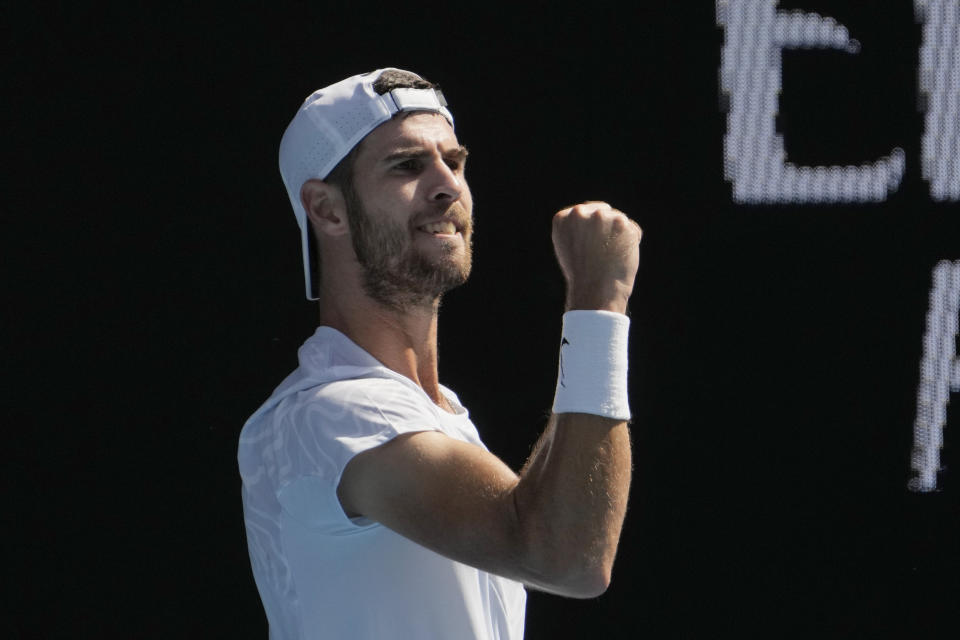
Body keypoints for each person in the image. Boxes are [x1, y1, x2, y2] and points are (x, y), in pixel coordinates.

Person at [238, 67, 642, 640]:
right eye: (408, 165)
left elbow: (552, 520)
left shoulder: (437, 412)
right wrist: (599, 301)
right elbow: (566, 556)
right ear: (327, 210)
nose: (447, 185)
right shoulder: (331, 413)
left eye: (453, 162)